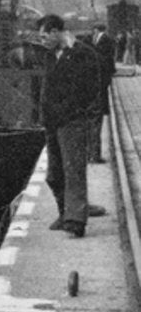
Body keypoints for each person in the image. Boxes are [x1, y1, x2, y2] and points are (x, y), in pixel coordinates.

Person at [36, 14, 101, 238]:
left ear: (56, 32)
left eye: (45, 35)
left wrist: (74, 109)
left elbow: (92, 88)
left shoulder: (83, 54)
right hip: (52, 122)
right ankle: (65, 213)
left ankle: (75, 221)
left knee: (73, 171)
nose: (42, 40)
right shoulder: (50, 55)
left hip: (72, 121)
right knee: (54, 174)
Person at [87, 23, 116, 163]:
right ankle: (93, 155)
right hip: (97, 88)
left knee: (94, 122)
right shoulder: (99, 41)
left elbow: (106, 59)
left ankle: (92, 155)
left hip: (98, 86)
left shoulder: (105, 40)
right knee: (95, 122)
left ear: (96, 29)